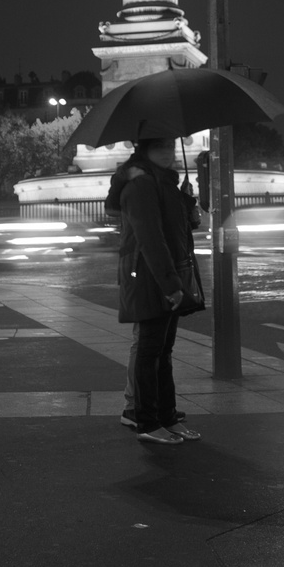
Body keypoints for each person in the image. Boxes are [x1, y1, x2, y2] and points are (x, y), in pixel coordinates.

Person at [110, 138, 201, 445]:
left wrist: (186, 203)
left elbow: (174, 230)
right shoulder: (141, 185)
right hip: (151, 277)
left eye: (171, 148)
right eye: (161, 148)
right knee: (150, 352)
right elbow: (150, 237)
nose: (169, 153)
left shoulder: (164, 183)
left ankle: (167, 416)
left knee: (163, 352)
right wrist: (171, 285)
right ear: (145, 150)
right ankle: (147, 421)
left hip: (165, 274)